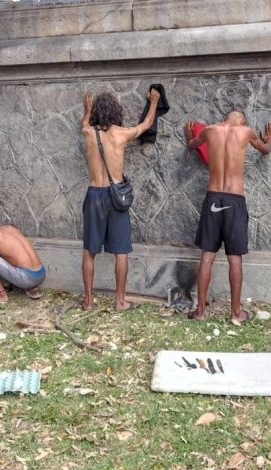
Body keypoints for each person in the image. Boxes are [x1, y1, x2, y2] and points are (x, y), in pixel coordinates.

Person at [183, 112, 271, 323]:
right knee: (235, 258)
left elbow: (191, 145)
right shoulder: (247, 132)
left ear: (225, 118)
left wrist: (189, 136)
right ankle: (236, 314)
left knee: (207, 255)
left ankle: (200, 312)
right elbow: (265, 150)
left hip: (213, 197)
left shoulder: (209, 130)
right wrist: (270, 140)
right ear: (242, 121)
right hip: (234, 200)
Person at [80, 88, 161, 311]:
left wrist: (87, 110)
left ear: (96, 112)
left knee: (89, 251)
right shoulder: (121, 133)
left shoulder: (88, 132)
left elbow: (84, 124)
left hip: (94, 194)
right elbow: (146, 124)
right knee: (121, 251)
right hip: (116, 195)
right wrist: (153, 102)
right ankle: (120, 301)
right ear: (116, 111)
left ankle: (88, 301)